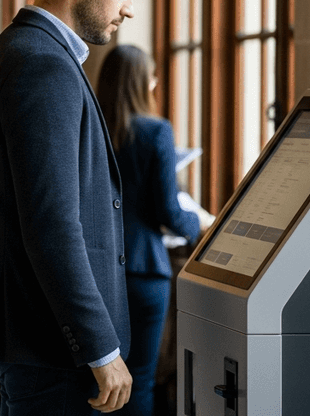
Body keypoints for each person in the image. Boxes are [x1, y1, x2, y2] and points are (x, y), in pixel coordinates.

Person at [0, 0, 156, 415]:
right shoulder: (43, 64)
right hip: (51, 346)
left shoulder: (23, 49)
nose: (129, 8)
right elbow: (51, 223)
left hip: (33, 337)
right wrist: (99, 346)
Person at [96, 45, 203, 416]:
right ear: (144, 83)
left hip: (96, 270)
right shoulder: (155, 131)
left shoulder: (90, 129)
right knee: (139, 378)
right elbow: (168, 211)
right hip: (144, 270)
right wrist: (200, 224)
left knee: (97, 381)